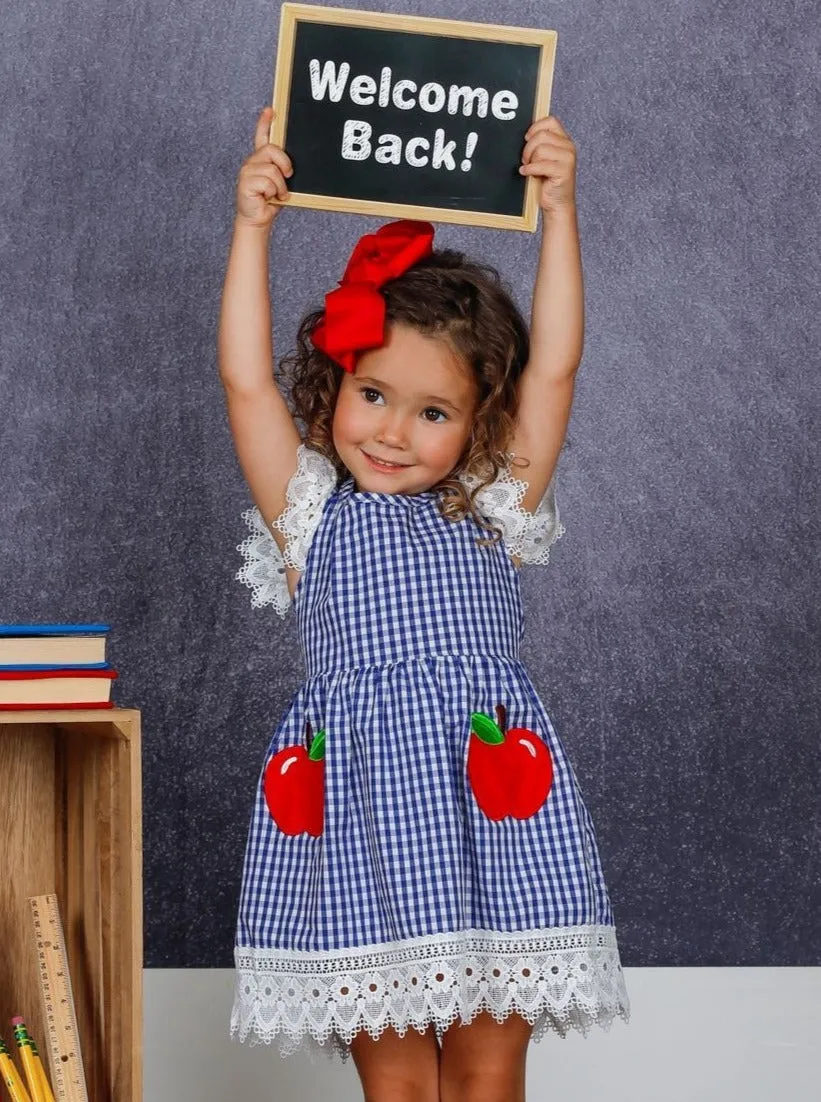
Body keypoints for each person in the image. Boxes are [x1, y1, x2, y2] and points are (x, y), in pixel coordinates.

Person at [219, 105, 630, 1099]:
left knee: (486, 1074)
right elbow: (242, 382)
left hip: (488, 809)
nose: (392, 430)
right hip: (359, 820)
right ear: (333, 383)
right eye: (372, 394)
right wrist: (251, 228)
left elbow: (556, 364)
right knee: (397, 1084)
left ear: (479, 418)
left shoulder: (495, 502)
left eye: (433, 411)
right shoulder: (308, 511)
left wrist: (561, 209)